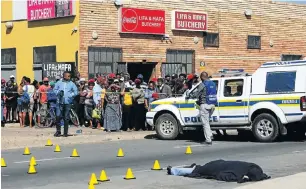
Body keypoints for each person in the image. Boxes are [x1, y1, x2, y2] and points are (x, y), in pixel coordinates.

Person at [187, 72, 217, 145]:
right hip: (212, 105)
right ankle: (210, 135)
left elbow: (196, 94)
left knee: (205, 123)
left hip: (205, 105)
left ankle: (208, 140)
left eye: (201, 78)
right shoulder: (213, 83)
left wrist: (190, 95)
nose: (201, 80)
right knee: (207, 122)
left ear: (203, 77)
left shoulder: (203, 84)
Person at [53, 71, 78, 137]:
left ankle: (65, 132)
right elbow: (54, 90)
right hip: (59, 102)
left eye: (70, 76)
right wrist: (59, 92)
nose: (69, 77)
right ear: (64, 76)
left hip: (68, 103)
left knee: (66, 117)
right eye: (68, 76)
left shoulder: (72, 84)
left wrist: (70, 95)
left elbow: (76, 91)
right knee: (58, 116)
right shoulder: (59, 83)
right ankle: (58, 131)